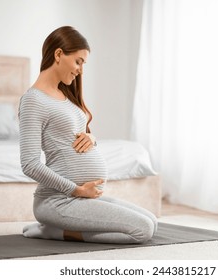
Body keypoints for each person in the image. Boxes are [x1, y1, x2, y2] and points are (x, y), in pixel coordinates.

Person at [19, 26, 157, 244]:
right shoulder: (33, 100)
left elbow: (73, 136)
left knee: (152, 221)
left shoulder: (64, 95)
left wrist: (92, 139)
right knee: (143, 230)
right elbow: (29, 164)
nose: (80, 70)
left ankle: (56, 228)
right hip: (58, 201)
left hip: (80, 198)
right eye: (78, 61)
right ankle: (53, 231)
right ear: (58, 54)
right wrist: (76, 190)